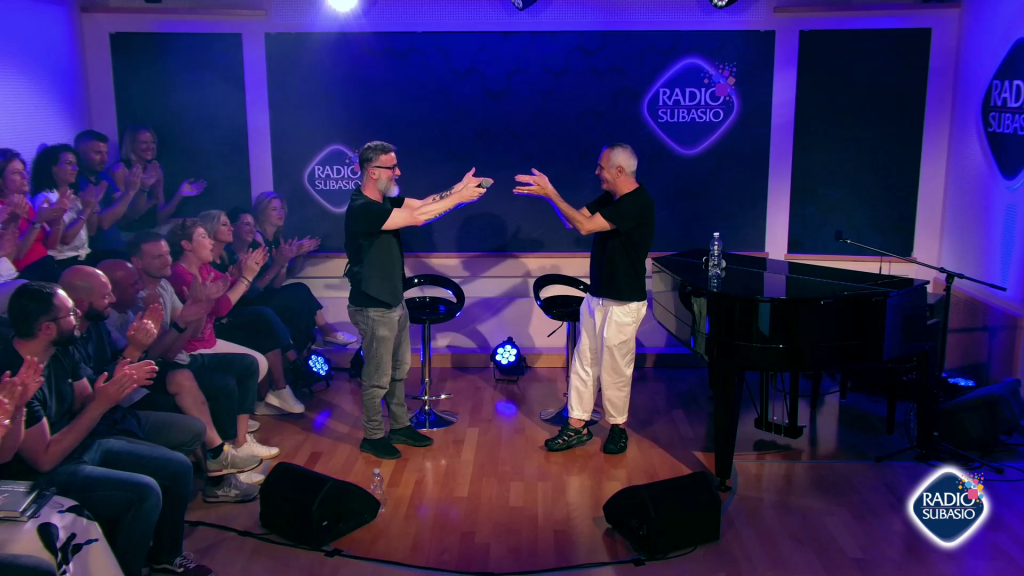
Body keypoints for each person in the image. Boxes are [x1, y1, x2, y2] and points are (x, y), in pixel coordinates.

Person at [0, 282, 215, 576]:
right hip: (40, 472)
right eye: (70, 313)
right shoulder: (13, 375)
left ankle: (166, 556)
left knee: (178, 467)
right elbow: (44, 460)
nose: (77, 316)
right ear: (47, 328)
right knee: (144, 492)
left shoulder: (63, 349)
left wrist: (117, 381)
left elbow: (85, 403)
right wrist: (101, 404)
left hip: (79, 444)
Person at [344, 140, 487, 459]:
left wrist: (459, 188)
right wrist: (460, 197)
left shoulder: (383, 201)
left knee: (398, 370)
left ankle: (399, 426)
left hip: (393, 300)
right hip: (372, 304)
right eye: (391, 167)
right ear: (372, 171)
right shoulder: (362, 209)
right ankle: (373, 436)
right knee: (377, 377)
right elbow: (420, 217)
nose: (398, 172)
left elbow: (423, 204)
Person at [514, 144, 655, 455]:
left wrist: (551, 193)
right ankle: (576, 425)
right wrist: (549, 196)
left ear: (619, 171)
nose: (597, 172)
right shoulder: (612, 198)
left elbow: (585, 225)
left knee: (615, 368)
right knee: (584, 362)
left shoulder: (637, 203)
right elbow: (574, 221)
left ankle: (617, 428)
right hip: (597, 296)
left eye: (601, 167)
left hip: (624, 302)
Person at [96, 259, 264, 497]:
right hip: (124, 395)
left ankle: (226, 455)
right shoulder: (106, 322)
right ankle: (220, 474)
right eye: (132, 284)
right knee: (203, 396)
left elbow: (167, 350)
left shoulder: (146, 299)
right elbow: (147, 358)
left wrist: (196, 310)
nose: (138, 288)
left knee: (186, 376)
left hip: (151, 374)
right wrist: (143, 344)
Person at [127, 230, 279, 465]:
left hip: (178, 357)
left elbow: (188, 335)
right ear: (138, 262)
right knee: (224, 384)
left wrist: (201, 305)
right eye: (158, 257)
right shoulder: (136, 300)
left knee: (248, 364)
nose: (167, 260)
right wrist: (185, 319)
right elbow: (157, 353)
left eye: (167, 254)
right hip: (159, 368)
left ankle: (240, 442)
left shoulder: (164, 285)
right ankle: (225, 453)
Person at [167, 218, 305, 416]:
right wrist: (246, 277)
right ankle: (237, 417)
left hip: (208, 338)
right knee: (259, 336)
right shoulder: (180, 275)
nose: (211, 242)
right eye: (204, 237)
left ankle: (263, 401)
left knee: (260, 354)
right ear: (187, 245)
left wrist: (244, 273)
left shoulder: (203, 268)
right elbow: (220, 308)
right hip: (192, 347)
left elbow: (230, 285)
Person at [249, 194, 357, 347]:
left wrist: (299, 254)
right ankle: (326, 332)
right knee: (300, 291)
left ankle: (306, 346)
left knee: (300, 295)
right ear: (261, 214)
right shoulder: (257, 238)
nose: (280, 213)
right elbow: (272, 285)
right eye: (274, 209)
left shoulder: (277, 238)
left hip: (269, 294)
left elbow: (290, 274)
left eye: (281, 208)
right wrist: (284, 261)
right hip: (256, 299)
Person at [108, 126, 206, 231]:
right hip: (127, 233)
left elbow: (160, 218)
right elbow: (124, 218)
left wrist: (179, 195)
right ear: (131, 145)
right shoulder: (120, 170)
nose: (150, 147)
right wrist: (144, 190)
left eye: (153, 142)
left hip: (152, 231)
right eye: (144, 143)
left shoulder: (156, 171)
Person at [29, 145, 101, 271]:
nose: (75, 169)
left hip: (83, 255)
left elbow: (92, 231)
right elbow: (66, 239)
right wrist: (86, 210)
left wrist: (93, 206)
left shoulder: (75, 195)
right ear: (53, 168)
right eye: (69, 163)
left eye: (76, 164)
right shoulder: (44, 198)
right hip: (64, 261)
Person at [0, 150, 68, 282]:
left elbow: (52, 244)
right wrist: (37, 220)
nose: (24, 176)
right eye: (16, 172)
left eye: (24, 170)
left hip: (46, 263)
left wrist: (58, 216)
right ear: (1, 181)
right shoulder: (3, 210)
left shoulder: (27, 203)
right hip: (26, 272)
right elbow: (18, 254)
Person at [74, 130, 138, 261]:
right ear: (79, 154)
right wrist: (129, 192)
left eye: (106, 153)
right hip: (99, 252)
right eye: (98, 153)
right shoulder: (77, 183)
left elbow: (129, 213)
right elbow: (103, 222)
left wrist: (142, 189)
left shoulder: (102, 177)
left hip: (118, 245)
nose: (105, 159)